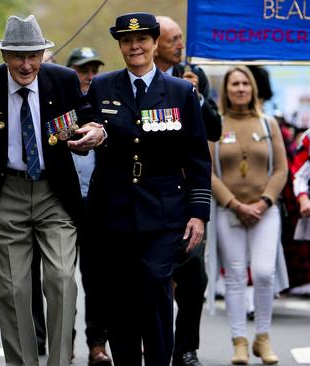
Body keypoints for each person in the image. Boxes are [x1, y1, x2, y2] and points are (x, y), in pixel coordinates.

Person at [0, 15, 106, 366]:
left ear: (43, 53)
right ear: (4, 56)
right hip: (5, 195)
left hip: (55, 194)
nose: (26, 64)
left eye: (33, 55)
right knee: (14, 291)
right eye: (18, 56)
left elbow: (87, 116)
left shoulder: (63, 80)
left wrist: (95, 131)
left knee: (63, 280)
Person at [84, 12, 211, 366]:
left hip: (164, 211)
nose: (135, 47)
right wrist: (87, 136)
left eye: (142, 40)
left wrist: (199, 215)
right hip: (114, 211)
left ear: (156, 44)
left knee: (156, 286)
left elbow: (198, 158)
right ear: (120, 46)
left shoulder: (181, 92)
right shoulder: (103, 86)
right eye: (127, 41)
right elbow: (85, 124)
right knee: (120, 298)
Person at [153, 15, 222, 366]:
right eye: (173, 39)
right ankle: (154, 344)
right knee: (153, 276)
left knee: (194, 275)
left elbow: (214, 128)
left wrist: (197, 96)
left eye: (181, 37)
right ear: (155, 43)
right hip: (152, 194)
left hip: (186, 194)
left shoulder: (192, 76)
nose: (180, 44)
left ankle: (186, 348)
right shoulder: (144, 80)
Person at [208, 66, 287, 365]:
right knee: (236, 277)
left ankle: (262, 338)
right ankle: (239, 341)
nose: (240, 89)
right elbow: (209, 171)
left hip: (265, 211)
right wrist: (234, 204)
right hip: (230, 212)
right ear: (226, 90)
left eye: (245, 84)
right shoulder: (215, 124)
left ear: (253, 88)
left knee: (265, 273)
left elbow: (281, 169)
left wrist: (264, 202)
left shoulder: (269, 124)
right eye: (234, 84)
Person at [66, 46, 111, 366]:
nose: (90, 76)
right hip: (62, 205)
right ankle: (61, 339)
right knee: (60, 279)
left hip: (98, 206)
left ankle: (97, 345)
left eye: (94, 70)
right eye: (83, 70)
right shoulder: (57, 105)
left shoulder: (108, 109)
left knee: (97, 279)